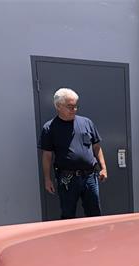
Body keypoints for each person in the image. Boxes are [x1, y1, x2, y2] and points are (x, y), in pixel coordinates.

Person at [39, 88, 107, 219]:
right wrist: (47, 179)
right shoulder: (49, 128)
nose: (74, 110)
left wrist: (103, 168)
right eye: (70, 107)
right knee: (68, 214)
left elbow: (96, 147)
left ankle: (97, 239)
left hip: (90, 177)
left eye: (76, 106)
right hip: (67, 179)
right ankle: (69, 240)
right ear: (58, 106)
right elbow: (47, 156)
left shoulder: (86, 123)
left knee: (95, 214)